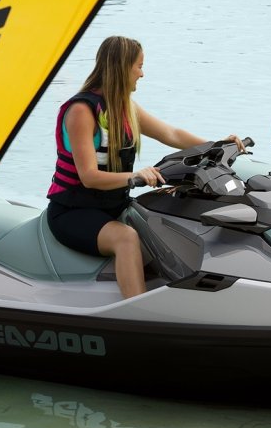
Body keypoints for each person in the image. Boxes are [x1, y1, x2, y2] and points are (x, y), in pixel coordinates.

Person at [46, 35, 242, 299]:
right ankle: (136, 310)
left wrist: (217, 144)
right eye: (138, 66)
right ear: (121, 67)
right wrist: (134, 176)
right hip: (73, 211)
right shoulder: (82, 111)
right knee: (126, 238)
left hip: (112, 206)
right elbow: (89, 177)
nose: (142, 74)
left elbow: (171, 134)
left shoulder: (125, 107)